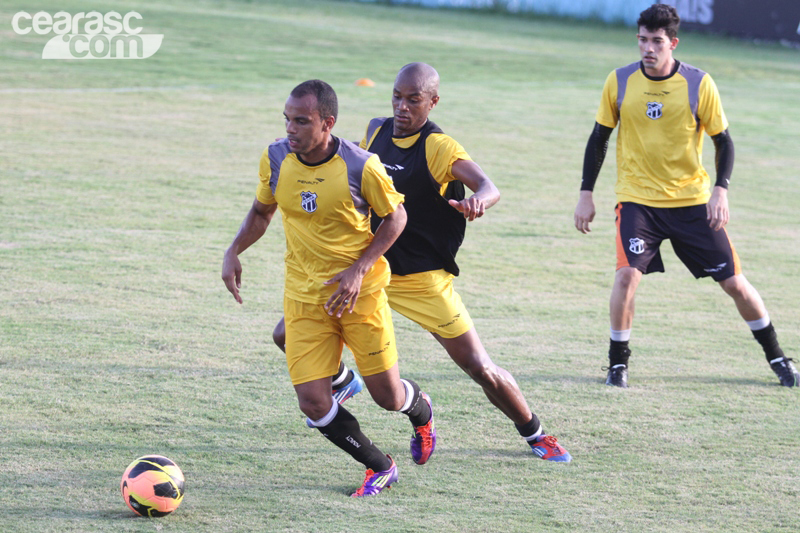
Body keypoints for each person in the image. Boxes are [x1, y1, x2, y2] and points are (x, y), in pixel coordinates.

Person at [275, 63, 572, 462]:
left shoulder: (438, 147)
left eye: (413, 100)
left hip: (420, 278)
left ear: (432, 102)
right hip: (365, 266)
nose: (402, 106)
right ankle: (345, 379)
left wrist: (479, 198)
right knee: (285, 335)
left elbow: (488, 185)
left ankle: (535, 433)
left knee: (478, 366)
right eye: (397, 96)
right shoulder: (376, 131)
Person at [222, 80, 437, 498]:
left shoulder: (361, 165)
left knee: (388, 397)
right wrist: (233, 250)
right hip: (304, 298)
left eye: (301, 121)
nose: (290, 129)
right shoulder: (276, 158)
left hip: (361, 296)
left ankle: (422, 410)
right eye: (287, 119)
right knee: (314, 404)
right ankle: (380, 466)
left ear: (327, 123)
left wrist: (359, 269)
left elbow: (396, 218)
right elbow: (262, 211)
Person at [573, 4, 798, 388]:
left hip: (692, 202)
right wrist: (585, 194)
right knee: (627, 276)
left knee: (735, 284)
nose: (648, 48)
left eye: (657, 41)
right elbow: (599, 138)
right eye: (643, 39)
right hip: (638, 201)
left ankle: (778, 357)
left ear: (673, 43)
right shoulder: (620, 80)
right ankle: (617, 365)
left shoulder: (698, 83)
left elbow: (724, 143)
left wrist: (720, 191)